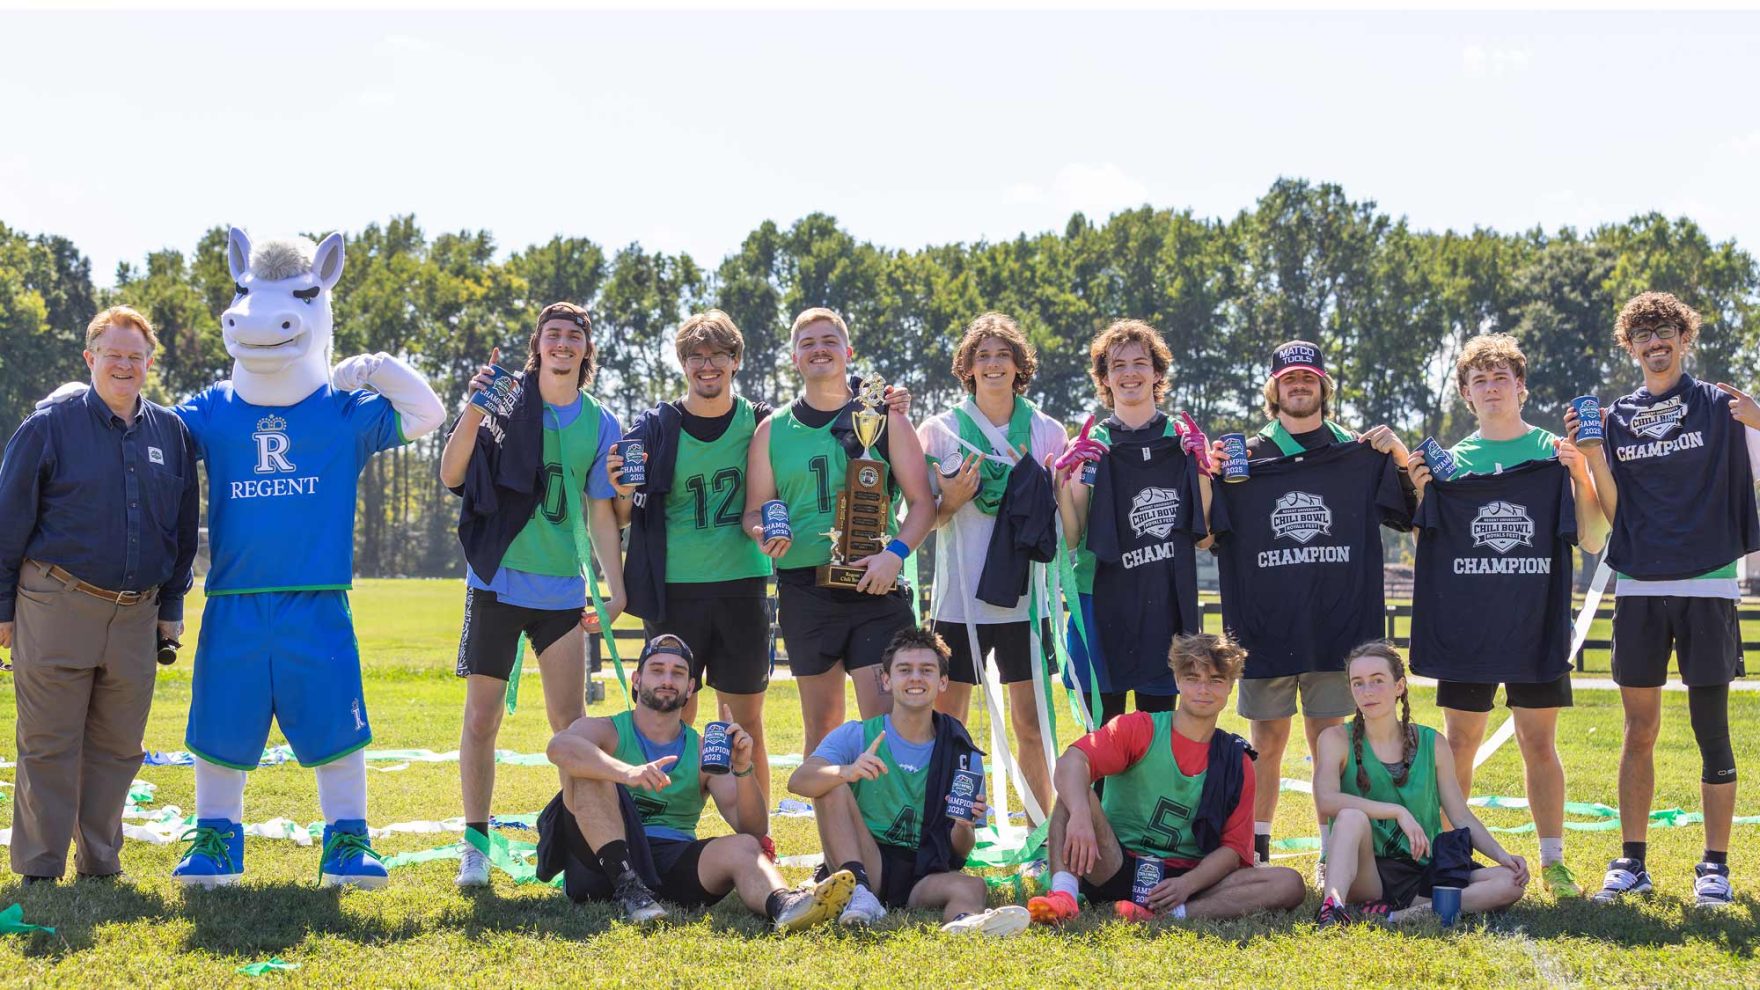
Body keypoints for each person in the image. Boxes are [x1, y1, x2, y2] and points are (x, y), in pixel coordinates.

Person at [39, 231, 449, 889]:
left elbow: (428, 414)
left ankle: (348, 839)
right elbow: (140, 428)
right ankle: (216, 837)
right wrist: (75, 404)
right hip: (233, 598)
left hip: (316, 597)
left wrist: (378, 367)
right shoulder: (212, 411)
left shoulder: (341, 411)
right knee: (220, 724)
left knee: (336, 725)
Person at [1405, 332, 1610, 899]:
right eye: (1480, 380)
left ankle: (1554, 861)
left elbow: (1593, 538)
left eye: (1501, 378)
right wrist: (1423, 496)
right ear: (1466, 395)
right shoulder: (1450, 463)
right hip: (1468, 626)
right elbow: (1429, 548)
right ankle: (1449, 858)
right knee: (1459, 743)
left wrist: (1580, 476)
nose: (1491, 388)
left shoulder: (1553, 453)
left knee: (1538, 742)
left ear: (1521, 387)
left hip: (1535, 622)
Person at [0, 306, 199, 885]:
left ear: (149, 364)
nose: (124, 365)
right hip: (55, 604)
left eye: (136, 356)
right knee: (49, 743)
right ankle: (40, 867)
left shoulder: (172, 434)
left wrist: (171, 607)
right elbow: (8, 519)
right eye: (113, 354)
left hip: (137, 615)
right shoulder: (49, 425)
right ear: (90, 359)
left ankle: (100, 861)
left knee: (118, 747)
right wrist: (3, 609)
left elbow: (181, 531)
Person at [1577, 292, 1760, 909]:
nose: (1655, 343)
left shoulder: (1723, 406)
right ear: (1630, 347)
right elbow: (1613, 513)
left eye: (1665, 332)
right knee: (1639, 730)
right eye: (1643, 335)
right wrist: (1592, 454)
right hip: (1639, 586)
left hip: (1708, 584)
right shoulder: (1616, 417)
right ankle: (1632, 861)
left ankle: (1715, 866)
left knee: (1712, 729)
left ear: (1685, 338)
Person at [439, 302, 629, 888]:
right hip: (496, 581)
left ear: (586, 349)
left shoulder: (600, 421)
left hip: (561, 591)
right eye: (553, 335)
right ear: (538, 344)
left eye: (574, 336)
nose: (563, 344)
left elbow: (601, 512)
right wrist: (475, 406)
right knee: (482, 718)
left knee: (570, 726)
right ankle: (476, 844)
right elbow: (451, 474)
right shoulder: (505, 399)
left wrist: (615, 589)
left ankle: (582, 843)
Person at [1214, 339, 1415, 868]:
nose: (1299, 385)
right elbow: (1208, 532)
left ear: (1324, 387)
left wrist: (1398, 455)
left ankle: (1332, 849)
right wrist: (1205, 472)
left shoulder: (1357, 453)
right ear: (1274, 389)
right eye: (1289, 379)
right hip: (1265, 626)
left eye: (1308, 377)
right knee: (1266, 740)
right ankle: (1257, 849)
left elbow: (1410, 513)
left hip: (1336, 628)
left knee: (1330, 742)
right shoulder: (1243, 458)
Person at [537, 635, 852, 929]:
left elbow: (753, 830)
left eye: (677, 673)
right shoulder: (606, 730)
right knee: (589, 773)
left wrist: (743, 769)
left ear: (690, 688)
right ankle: (628, 887)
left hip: (671, 861)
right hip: (601, 864)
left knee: (744, 846)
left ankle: (786, 906)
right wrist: (626, 773)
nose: (666, 680)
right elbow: (559, 747)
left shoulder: (704, 750)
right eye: (657, 670)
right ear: (637, 679)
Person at [742, 308, 934, 756]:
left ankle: (888, 806)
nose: (819, 350)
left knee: (888, 727)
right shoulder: (772, 429)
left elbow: (923, 503)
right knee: (822, 731)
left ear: (848, 352)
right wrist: (762, 532)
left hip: (874, 583)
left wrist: (895, 555)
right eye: (807, 343)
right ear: (794, 358)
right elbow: (753, 510)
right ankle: (834, 806)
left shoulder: (885, 416)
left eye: (829, 340)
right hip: (805, 590)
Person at [1026, 632, 1306, 924]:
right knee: (1074, 792)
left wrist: (1187, 884)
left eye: (1216, 680)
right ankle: (1064, 896)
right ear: (1177, 680)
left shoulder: (1236, 760)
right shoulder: (1139, 728)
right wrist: (1081, 816)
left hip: (1188, 880)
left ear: (1230, 686)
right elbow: (1072, 761)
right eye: (1193, 678)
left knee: (1288, 883)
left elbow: (1233, 850)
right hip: (1113, 863)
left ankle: (1171, 914)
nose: (1203, 689)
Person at [617, 310, 777, 803]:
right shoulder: (657, 426)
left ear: (736, 360)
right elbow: (620, 504)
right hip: (675, 591)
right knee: (669, 717)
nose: (707, 366)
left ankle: (758, 831)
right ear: (683, 364)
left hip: (741, 586)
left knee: (745, 720)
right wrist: (619, 482)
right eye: (696, 356)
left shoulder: (762, 421)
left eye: (718, 355)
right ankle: (664, 822)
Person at [918, 312, 1067, 816]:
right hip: (958, 602)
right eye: (983, 355)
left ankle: (1038, 828)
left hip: (1027, 602)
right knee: (949, 720)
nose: (994, 364)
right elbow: (921, 519)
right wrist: (952, 501)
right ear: (968, 367)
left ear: (1020, 365)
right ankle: (947, 827)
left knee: (1032, 723)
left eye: (1004, 354)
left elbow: (1064, 521)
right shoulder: (939, 431)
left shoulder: (1048, 431)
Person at [788, 626, 1028, 936]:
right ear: (886, 680)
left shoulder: (960, 750)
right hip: (867, 861)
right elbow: (799, 781)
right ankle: (861, 893)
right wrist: (846, 772)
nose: (915, 678)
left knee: (972, 886)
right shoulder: (858, 735)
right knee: (830, 785)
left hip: (924, 872)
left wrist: (963, 826)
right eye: (904, 670)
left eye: (926, 670)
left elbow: (961, 851)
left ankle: (964, 923)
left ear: (942, 682)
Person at [1054, 319, 1213, 726]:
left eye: (1140, 363)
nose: (1129, 373)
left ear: (1157, 373)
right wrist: (1063, 480)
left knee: (1155, 735)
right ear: (1104, 377)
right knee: (1101, 739)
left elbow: (1205, 538)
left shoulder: (1182, 439)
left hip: (1163, 606)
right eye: (1117, 365)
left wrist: (1202, 470)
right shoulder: (1093, 444)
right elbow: (1072, 537)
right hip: (1098, 603)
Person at [1312, 641, 1528, 925]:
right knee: (1351, 817)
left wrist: (1502, 856)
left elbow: (1460, 815)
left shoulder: (1432, 742)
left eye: (1378, 680)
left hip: (1423, 873)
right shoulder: (1335, 739)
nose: (1367, 691)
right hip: (1366, 874)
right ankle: (1333, 906)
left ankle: (1396, 917)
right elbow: (1327, 800)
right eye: (1358, 683)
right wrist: (1397, 812)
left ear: (1399, 686)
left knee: (1509, 882)